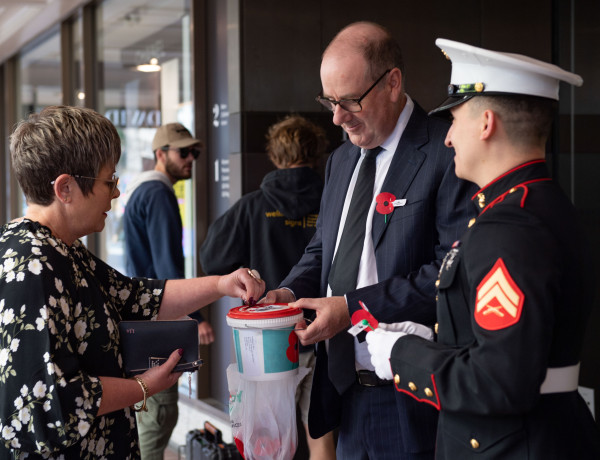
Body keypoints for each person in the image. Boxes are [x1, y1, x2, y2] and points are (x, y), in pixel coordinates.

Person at [366, 39, 600, 459]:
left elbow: (498, 382)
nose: (449, 138)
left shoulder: (511, 225)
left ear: (486, 123)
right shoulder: (538, 204)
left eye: (454, 120)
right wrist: (431, 340)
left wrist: (403, 355)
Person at [262, 22, 477, 459]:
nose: (337, 117)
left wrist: (352, 308)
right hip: (342, 388)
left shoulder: (446, 151)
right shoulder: (342, 160)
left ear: (393, 83)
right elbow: (324, 249)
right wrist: (285, 294)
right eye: (329, 101)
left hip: (410, 395)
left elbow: (451, 274)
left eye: (350, 101)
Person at [0, 105, 264, 460]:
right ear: (65, 188)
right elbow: (54, 401)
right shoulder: (34, 264)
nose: (116, 193)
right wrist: (141, 387)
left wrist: (221, 284)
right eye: (109, 181)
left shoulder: (62, 249)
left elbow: (136, 297)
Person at [199, 114, 336, 459]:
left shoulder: (252, 207)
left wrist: (248, 277)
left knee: (267, 437)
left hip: (265, 340)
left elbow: (212, 257)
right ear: (318, 153)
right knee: (321, 430)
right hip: (325, 329)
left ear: (274, 156)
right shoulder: (334, 201)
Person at [122, 122, 215, 460]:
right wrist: (194, 315)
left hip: (146, 317)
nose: (191, 158)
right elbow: (166, 269)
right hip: (157, 322)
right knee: (158, 416)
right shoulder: (159, 192)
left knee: (153, 415)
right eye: (183, 151)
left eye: (196, 152)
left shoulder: (141, 190)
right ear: (160, 155)